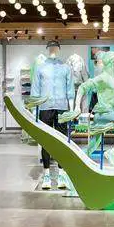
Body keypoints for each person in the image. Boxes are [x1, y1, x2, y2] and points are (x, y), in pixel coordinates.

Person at [31, 40, 74, 190]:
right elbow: (35, 90)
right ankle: (47, 174)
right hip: (45, 107)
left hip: (62, 107)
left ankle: (62, 173)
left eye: (55, 47)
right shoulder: (40, 68)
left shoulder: (66, 68)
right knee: (46, 141)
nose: (53, 50)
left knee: (62, 140)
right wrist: (34, 111)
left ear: (59, 49)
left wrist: (71, 109)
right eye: (51, 48)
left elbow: (70, 89)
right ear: (47, 49)